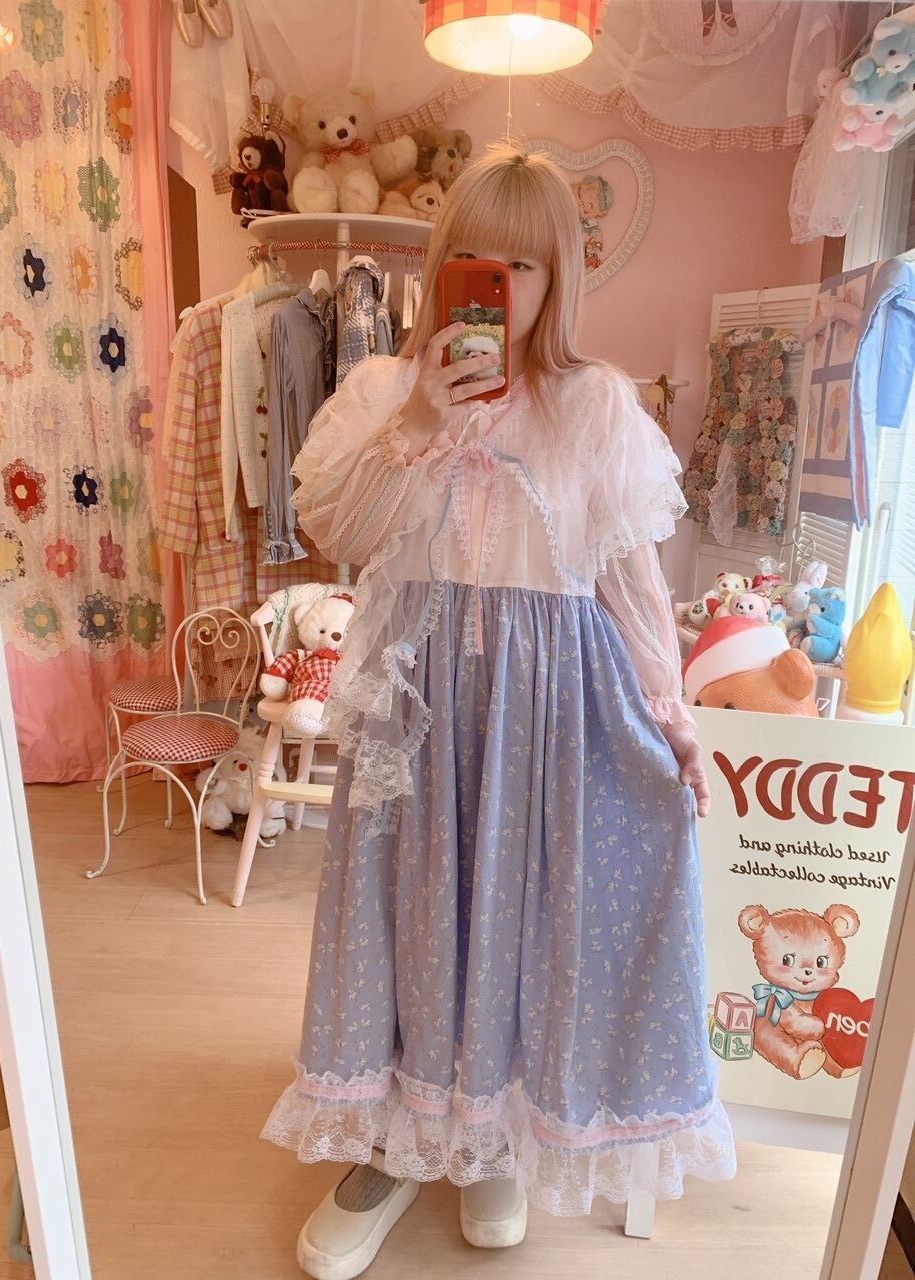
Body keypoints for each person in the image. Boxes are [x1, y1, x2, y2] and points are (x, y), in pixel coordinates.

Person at [261, 144, 737, 1280]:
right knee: (405, 912)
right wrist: (421, 416)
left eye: (523, 265)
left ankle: (493, 1131)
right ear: (442, 266)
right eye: (475, 259)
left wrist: (670, 713)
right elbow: (343, 532)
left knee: (523, 918)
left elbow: (626, 577)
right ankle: (392, 1142)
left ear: (558, 276)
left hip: (552, 711)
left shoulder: (594, 404)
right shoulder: (384, 392)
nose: (499, 285)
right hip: (418, 700)